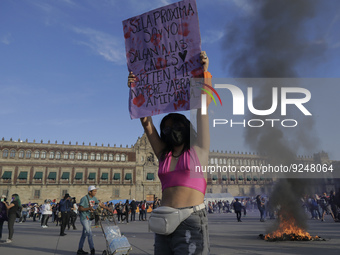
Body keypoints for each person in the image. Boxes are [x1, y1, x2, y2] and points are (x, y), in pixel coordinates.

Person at [128, 51, 212, 255]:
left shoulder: (198, 150)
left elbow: (202, 109)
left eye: (176, 126)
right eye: (166, 127)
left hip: (190, 219)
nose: (170, 130)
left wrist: (204, 73)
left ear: (185, 127)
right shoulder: (163, 155)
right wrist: (135, 88)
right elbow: (146, 124)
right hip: (163, 219)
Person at [77, 186, 114, 255]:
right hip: (84, 218)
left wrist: (108, 208)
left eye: (96, 191)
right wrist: (89, 208)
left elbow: (100, 204)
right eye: (94, 191)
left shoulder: (94, 198)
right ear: (89, 192)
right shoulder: (84, 199)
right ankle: (92, 249)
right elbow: (80, 209)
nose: (95, 192)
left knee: (84, 235)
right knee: (89, 233)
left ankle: (79, 249)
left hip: (90, 218)